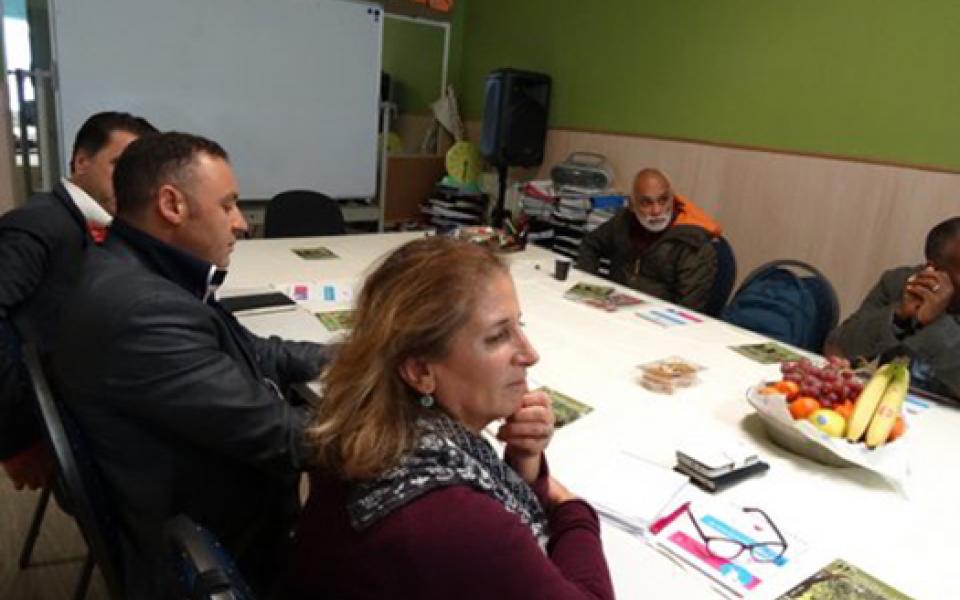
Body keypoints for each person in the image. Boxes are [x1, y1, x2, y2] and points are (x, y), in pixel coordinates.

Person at [52, 132, 331, 596]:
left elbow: (256, 352)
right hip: (221, 548)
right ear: (171, 205)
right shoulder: (143, 310)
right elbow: (285, 439)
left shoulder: (144, 271)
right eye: (228, 205)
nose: (241, 223)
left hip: (188, 507)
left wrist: (355, 355)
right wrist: (411, 418)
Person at [276, 237, 614, 600]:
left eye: (520, 325)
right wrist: (572, 509)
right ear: (420, 370)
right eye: (498, 336)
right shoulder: (451, 520)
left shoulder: (376, 427)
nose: (530, 354)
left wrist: (524, 459)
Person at [0, 111, 157, 491]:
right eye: (119, 166)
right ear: (81, 162)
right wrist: (16, 442)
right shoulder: (37, 225)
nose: (130, 183)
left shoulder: (106, 223)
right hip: (57, 419)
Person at [825, 217, 960, 399]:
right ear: (933, 270)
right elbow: (836, 349)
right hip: (883, 407)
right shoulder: (899, 284)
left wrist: (938, 323)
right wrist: (897, 317)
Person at [577, 168, 722, 311]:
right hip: (612, 310)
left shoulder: (693, 244)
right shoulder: (624, 221)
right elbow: (590, 245)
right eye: (646, 203)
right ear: (632, 205)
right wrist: (590, 290)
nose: (656, 211)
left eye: (663, 200)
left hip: (656, 322)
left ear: (673, 199)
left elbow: (687, 310)